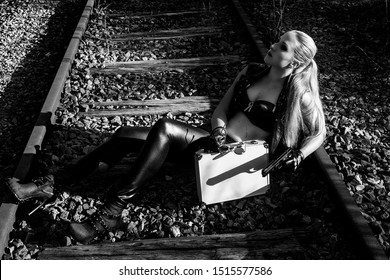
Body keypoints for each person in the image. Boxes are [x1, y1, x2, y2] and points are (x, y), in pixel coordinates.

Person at [7, 30, 326, 244]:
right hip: (210, 143)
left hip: (233, 163)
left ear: (296, 61)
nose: (273, 46)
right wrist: (216, 130)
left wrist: (299, 153)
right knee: (125, 136)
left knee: (163, 128)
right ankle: (50, 185)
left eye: (282, 47)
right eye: (277, 41)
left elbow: (319, 132)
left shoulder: (298, 95)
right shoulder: (251, 71)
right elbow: (221, 110)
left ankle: (111, 214)